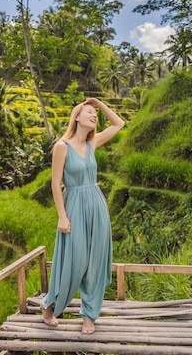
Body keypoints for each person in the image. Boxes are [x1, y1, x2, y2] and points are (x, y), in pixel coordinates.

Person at [40, 97, 125, 335]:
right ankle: (49, 306)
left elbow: (119, 124)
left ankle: (89, 315)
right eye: (88, 112)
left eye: (94, 114)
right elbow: (56, 185)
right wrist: (62, 216)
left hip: (96, 205)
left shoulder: (92, 143)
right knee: (73, 261)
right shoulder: (62, 146)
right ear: (76, 117)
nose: (93, 116)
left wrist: (99, 104)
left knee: (96, 262)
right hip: (74, 205)